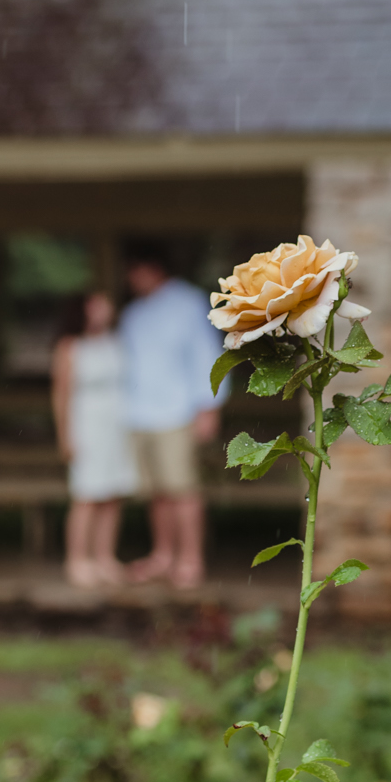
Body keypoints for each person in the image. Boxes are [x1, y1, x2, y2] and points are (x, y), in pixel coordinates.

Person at [118, 241, 222, 589]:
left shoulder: (188, 303)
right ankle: (163, 556)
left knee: (183, 490)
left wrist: (209, 408)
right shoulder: (133, 314)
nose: (132, 279)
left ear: (152, 269)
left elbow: (206, 356)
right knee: (156, 492)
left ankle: (191, 559)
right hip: (139, 415)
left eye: (135, 271)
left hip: (177, 413)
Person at [51, 289, 137, 588]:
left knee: (112, 495)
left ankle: (104, 557)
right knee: (86, 495)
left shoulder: (116, 342)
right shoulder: (70, 347)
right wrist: (65, 437)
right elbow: (61, 395)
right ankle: (77, 559)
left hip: (117, 425)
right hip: (87, 424)